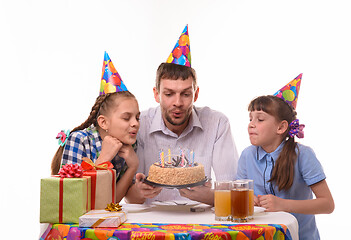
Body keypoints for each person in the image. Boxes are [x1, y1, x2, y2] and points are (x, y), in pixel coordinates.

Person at [125, 62, 239, 205]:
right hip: (153, 220)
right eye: (169, 94)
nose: (177, 102)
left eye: (185, 94)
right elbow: (129, 197)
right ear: (156, 94)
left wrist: (209, 196)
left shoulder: (217, 123)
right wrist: (140, 191)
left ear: (195, 94)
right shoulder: (140, 124)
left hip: (200, 220)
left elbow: (233, 190)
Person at [237, 93, 334, 239]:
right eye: (250, 119)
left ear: (281, 127)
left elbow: (327, 204)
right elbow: (238, 193)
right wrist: (249, 200)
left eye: (260, 119)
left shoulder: (303, 155)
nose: (251, 124)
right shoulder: (247, 155)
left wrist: (283, 205)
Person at [51, 52, 140, 203]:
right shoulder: (79, 140)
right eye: (126, 118)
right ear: (103, 122)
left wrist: (133, 166)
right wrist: (104, 158)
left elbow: (111, 202)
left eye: (137, 117)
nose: (135, 123)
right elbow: (70, 199)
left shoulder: (129, 146)